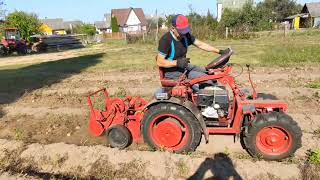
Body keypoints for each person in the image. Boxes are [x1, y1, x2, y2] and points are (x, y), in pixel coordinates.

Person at [157, 14, 229, 90]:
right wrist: (177, 62)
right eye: (181, 31)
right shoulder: (166, 40)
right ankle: (203, 96)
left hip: (184, 67)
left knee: (208, 72)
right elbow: (159, 61)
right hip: (173, 72)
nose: (183, 34)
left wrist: (220, 51)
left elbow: (201, 44)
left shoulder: (185, 36)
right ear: (173, 28)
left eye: (185, 31)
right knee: (206, 79)